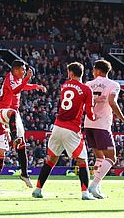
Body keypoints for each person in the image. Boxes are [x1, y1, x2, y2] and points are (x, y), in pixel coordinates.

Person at [32, 62, 96, 200]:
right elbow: (90, 113)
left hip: (57, 127)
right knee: (82, 160)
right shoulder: (86, 89)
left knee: (51, 160)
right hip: (71, 129)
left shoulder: (64, 86)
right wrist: (95, 116)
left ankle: (37, 189)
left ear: (71, 74)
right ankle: (85, 193)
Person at [83, 60, 124, 199]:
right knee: (111, 157)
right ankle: (94, 185)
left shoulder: (88, 84)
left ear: (98, 71)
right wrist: (123, 118)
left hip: (88, 124)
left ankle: (96, 187)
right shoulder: (113, 85)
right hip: (102, 126)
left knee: (100, 157)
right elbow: (112, 101)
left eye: (93, 69)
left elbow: (83, 104)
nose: (92, 72)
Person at [0, 60, 46, 187]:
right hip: (3, 111)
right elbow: (15, 91)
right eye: (23, 70)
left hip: (13, 115)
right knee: (12, 112)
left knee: (22, 146)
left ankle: (24, 173)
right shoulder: (10, 78)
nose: (24, 72)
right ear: (16, 70)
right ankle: (14, 138)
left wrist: (35, 86)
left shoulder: (17, 79)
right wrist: (27, 79)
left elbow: (22, 86)